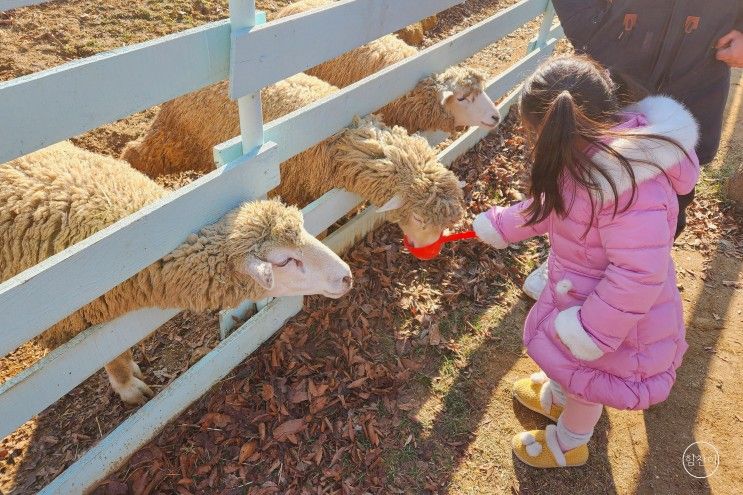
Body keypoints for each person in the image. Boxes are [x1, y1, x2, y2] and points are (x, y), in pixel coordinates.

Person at [473, 55, 700, 467]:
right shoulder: (586, 152)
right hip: (580, 293)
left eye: (533, 133)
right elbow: (555, 207)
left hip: (614, 322)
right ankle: (559, 395)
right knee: (569, 364)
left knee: (587, 383)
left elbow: (638, 274)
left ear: (558, 126)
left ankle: (569, 442)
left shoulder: (630, 184)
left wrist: (591, 332)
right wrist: (501, 225)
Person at [522, 0, 743, 300]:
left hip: (698, 68)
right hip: (618, 56)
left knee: (675, 178)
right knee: (587, 164)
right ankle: (574, 261)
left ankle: (639, 273)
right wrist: (592, 27)